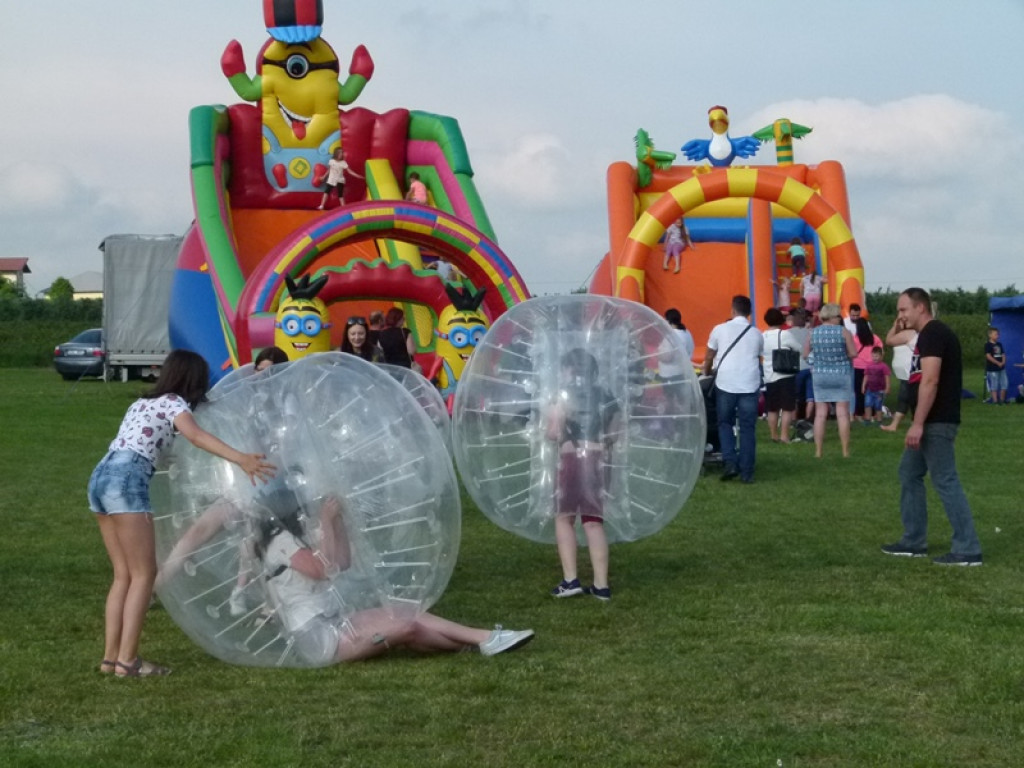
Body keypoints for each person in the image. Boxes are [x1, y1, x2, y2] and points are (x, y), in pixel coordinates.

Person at [88, 349, 276, 677]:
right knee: (144, 575)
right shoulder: (175, 403)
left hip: (100, 478)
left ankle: (109, 659)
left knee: (123, 575)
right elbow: (196, 435)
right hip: (127, 479)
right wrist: (241, 458)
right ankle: (128, 661)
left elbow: (143, 443)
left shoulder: (141, 404)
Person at [256, 487, 534, 661]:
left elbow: (342, 562)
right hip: (319, 638)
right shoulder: (279, 543)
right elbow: (322, 570)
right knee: (407, 628)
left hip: (335, 619)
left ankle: (484, 639)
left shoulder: (298, 537)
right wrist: (326, 522)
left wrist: (337, 521)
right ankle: (477, 642)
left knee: (402, 612)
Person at [881, 287, 982, 566]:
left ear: (921, 308)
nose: (900, 315)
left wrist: (917, 423)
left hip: (936, 421)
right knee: (909, 473)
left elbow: (930, 380)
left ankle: (968, 548)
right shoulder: (925, 335)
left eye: (903, 309)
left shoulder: (934, 333)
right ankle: (914, 541)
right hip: (929, 421)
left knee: (945, 480)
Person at [545, 349, 622, 600]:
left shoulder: (562, 396)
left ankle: (570, 580)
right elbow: (614, 435)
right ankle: (601, 586)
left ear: (569, 370)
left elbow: (554, 432)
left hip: (572, 459)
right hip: (600, 460)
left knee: (564, 518)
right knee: (593, 521)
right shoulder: (608, 397)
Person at [702, 295, 763, 483]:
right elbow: (758, 356)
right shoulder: (756, 333)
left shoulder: (719, 329)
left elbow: (709, 354)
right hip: (749, 383)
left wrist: (706, 371)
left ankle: (730, 462)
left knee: (725, 423)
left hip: (726, 382)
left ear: (733, 310)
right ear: (749, 313)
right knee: (747, 428)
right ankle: (747, 472)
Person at [805, 303, 856, 458]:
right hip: (841, 374)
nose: (840, 318)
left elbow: (805, 354)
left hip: (820, 375)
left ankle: (818, 451)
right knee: (842, 414)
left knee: (820, 414)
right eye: (838, 316)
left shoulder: (813, 332)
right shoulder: (844, 332)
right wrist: (842, 356)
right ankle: (845, 451)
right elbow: (853, 353)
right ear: (833, 316)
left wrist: (817, 360)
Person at [762, 308, 802, 443]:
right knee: (787, 407)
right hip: (785, 375)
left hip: (769, 375)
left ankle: (773, 435)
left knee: (772, 408)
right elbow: (798, 348)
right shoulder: (785, 335)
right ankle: (784, 436)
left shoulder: (763, 336)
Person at [851, 318, 884, 422]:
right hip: (872, 367)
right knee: (873, 390)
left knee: (859, 391)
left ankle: (859, 412)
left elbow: (851, 352)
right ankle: (873, 412)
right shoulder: (875, 338)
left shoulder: (855, 339)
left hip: (857, 366)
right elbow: (881, 351)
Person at [786, 308, 814, 425]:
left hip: (795, 368)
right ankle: (808, 419)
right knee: (810, 397)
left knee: (794, 397)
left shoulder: (788, 333)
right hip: (810, 367)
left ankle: (794, 420)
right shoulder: (811, 332)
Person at [862, 346, 891, 424]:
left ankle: (879, 420)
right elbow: (866, 376)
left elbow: (887, 377)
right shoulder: (868, 365)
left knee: (878, 406)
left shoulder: (884, 366)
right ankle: (867, 419)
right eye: (873, 356)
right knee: (867, 404)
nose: (875, 358)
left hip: (880, 391)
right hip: (869, 390)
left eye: (877, 356)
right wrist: (863, 386)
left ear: (881, 356)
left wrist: (888, 388)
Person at [984, 327, 1008, 404]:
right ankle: (995, 401)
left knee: (1004, 384)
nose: (998, 336)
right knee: (994, 385)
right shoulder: (988, 345)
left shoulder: (999, 344)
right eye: (996, 334)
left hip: (1001, 368)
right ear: (990, 335)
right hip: (992, 369)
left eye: (998, 334)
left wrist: (1003, 362)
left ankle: (1002, 400)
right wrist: (997, 363)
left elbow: (1003, 354)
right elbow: (988, 356)